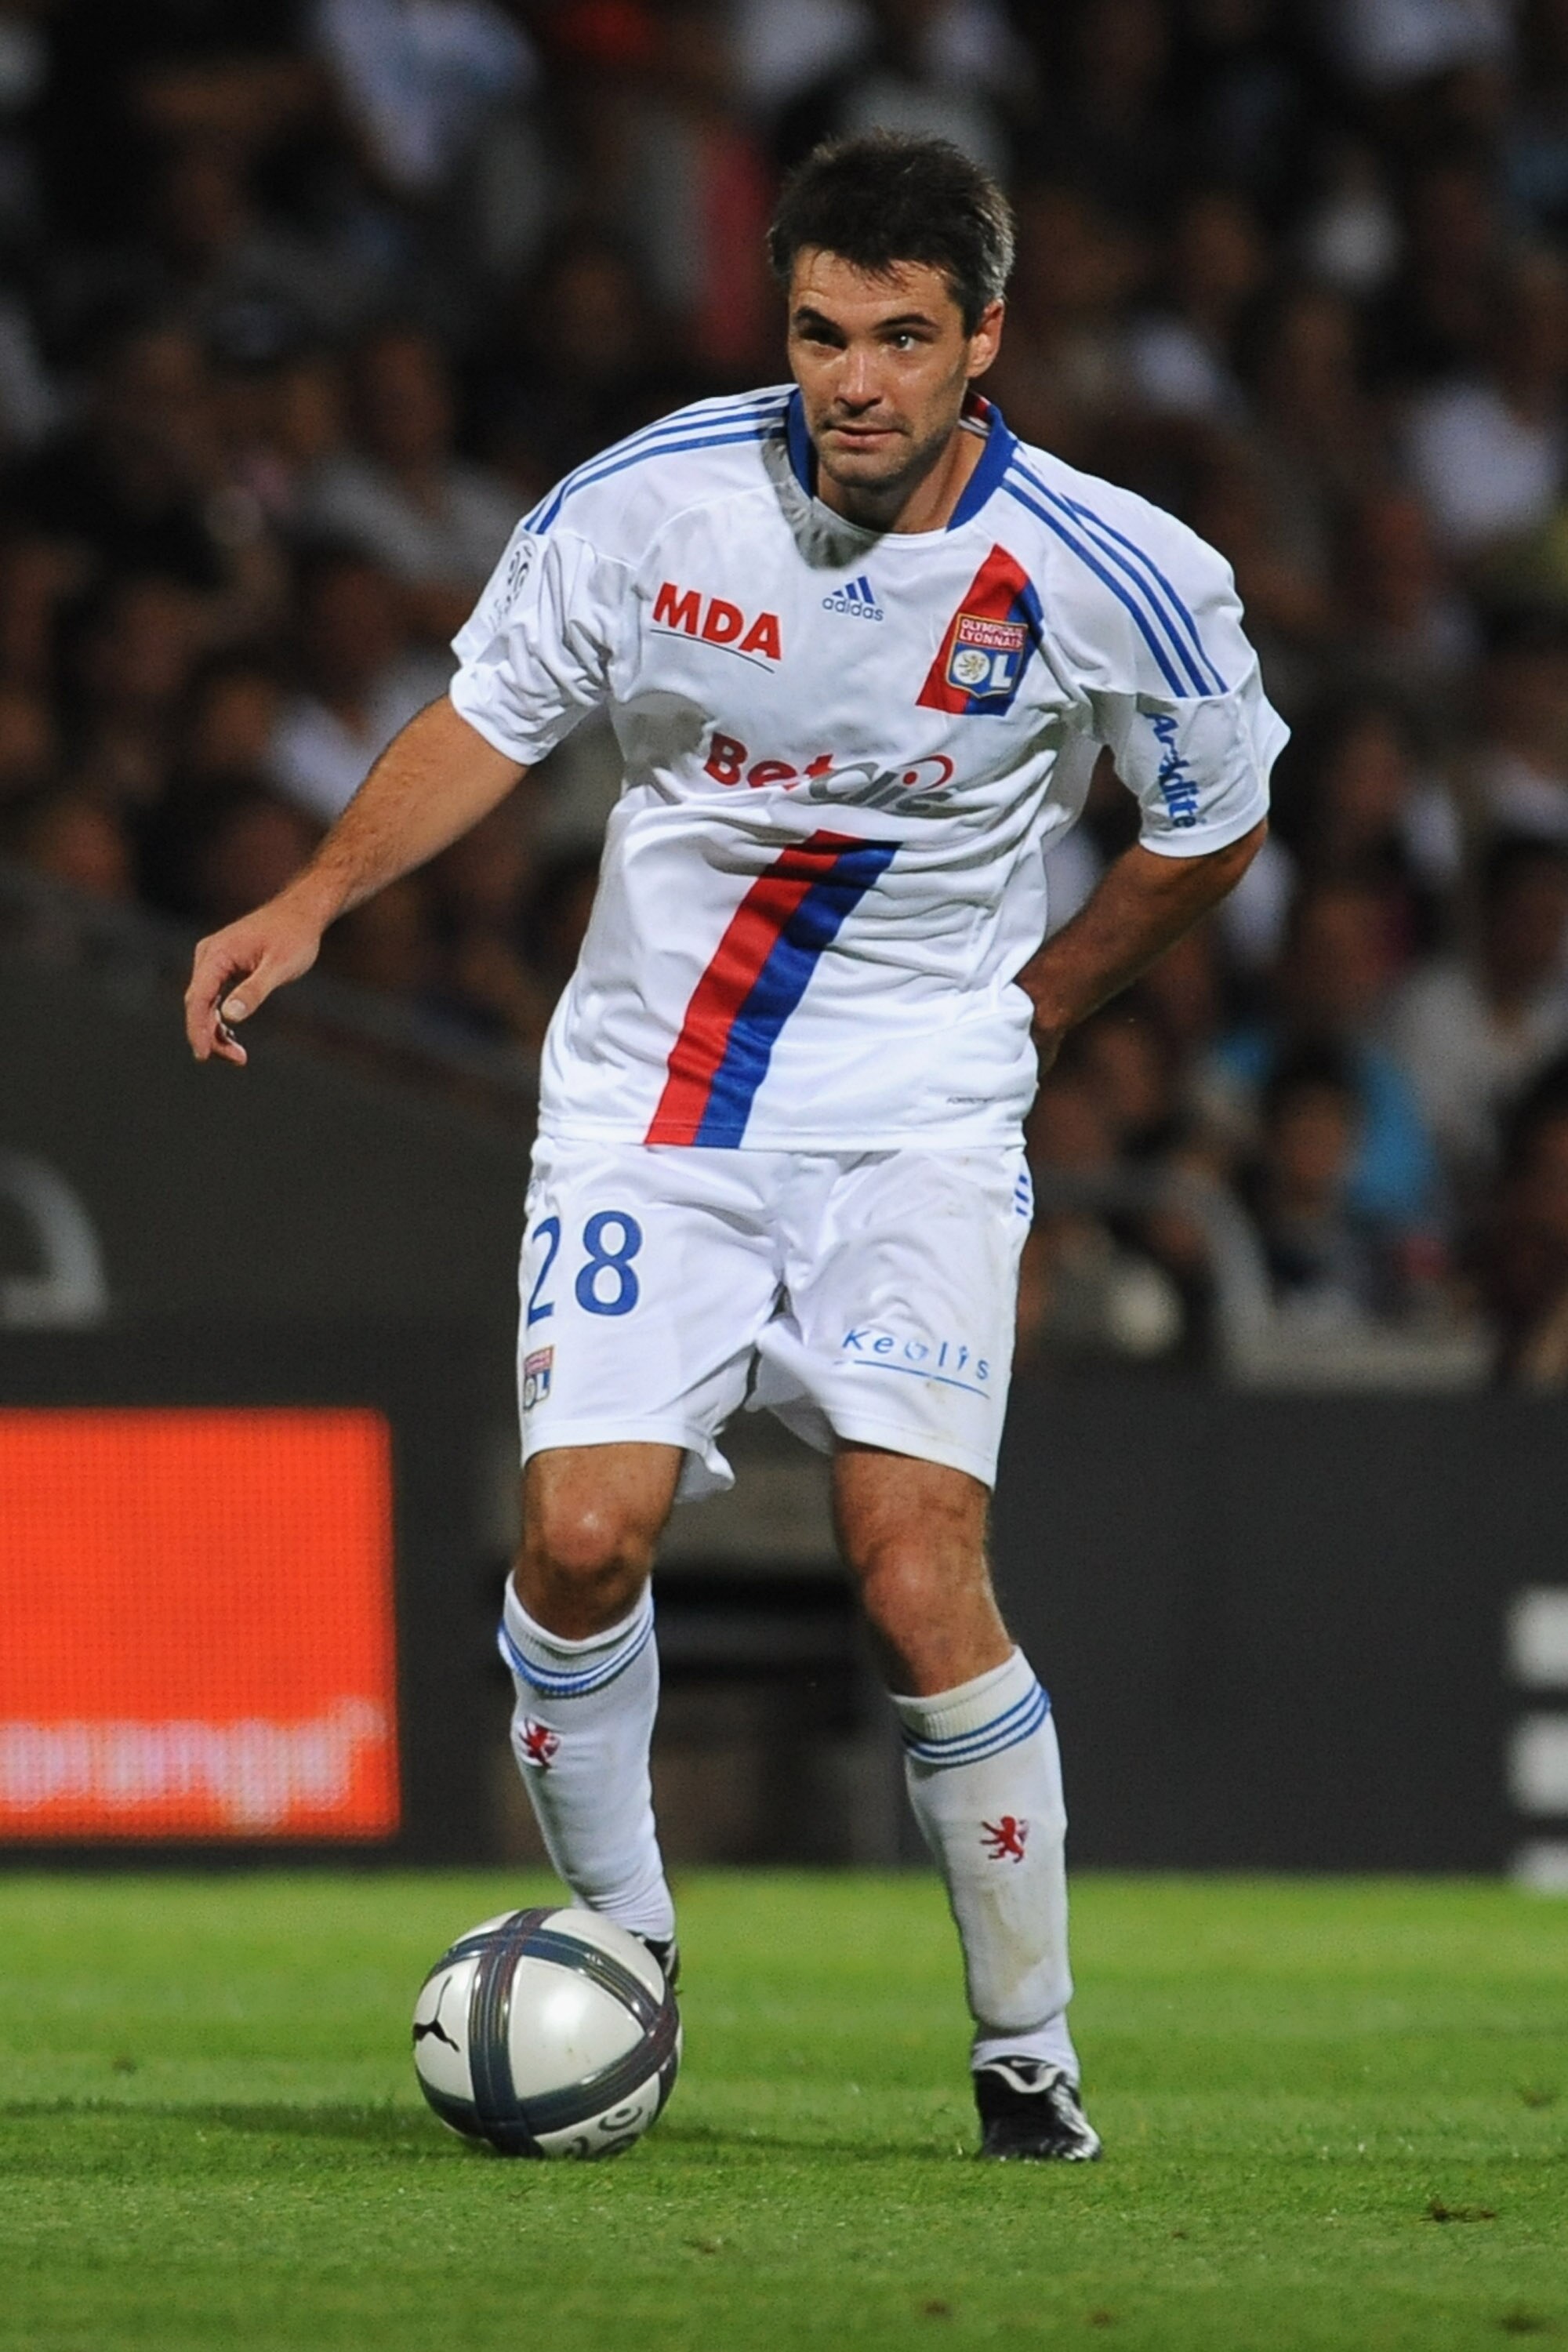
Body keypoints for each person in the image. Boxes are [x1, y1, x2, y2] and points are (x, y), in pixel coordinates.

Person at [184, 132, 1282, 2163]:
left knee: (914, 1568)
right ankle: (629, 1956)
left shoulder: (1117, 569)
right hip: (651, 1110)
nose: (854, 381)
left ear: (985, 342)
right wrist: (317, 898)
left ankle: (1028, 2060)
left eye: (901, 339)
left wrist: (1040, 1007)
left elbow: (1212, 824)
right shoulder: (646, 503)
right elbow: (487, 720)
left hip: (918, 1119)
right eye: (819, 333)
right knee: (581, 1541)